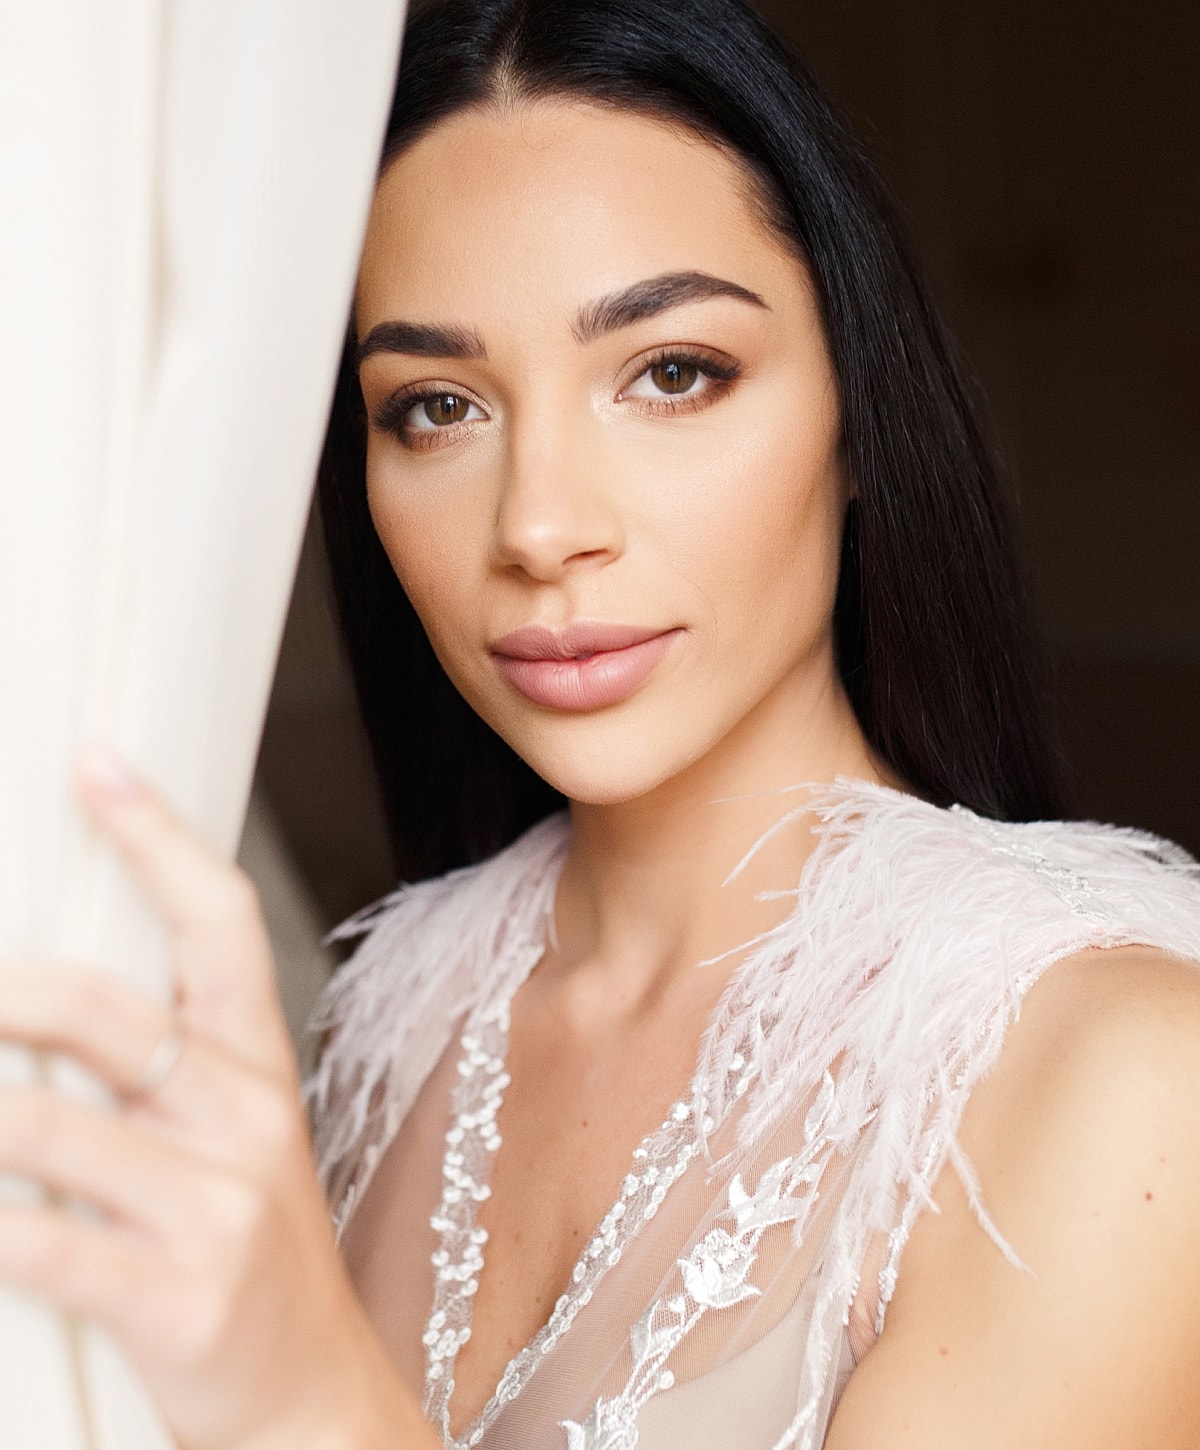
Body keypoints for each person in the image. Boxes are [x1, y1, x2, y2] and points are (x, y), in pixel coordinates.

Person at [2, 1, 1200, 1447]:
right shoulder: (392, 1016)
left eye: (672, 373)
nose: (540, 525)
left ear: (859, 412)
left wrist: (302, 1395)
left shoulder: (1125, 1075)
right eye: (436, 406)